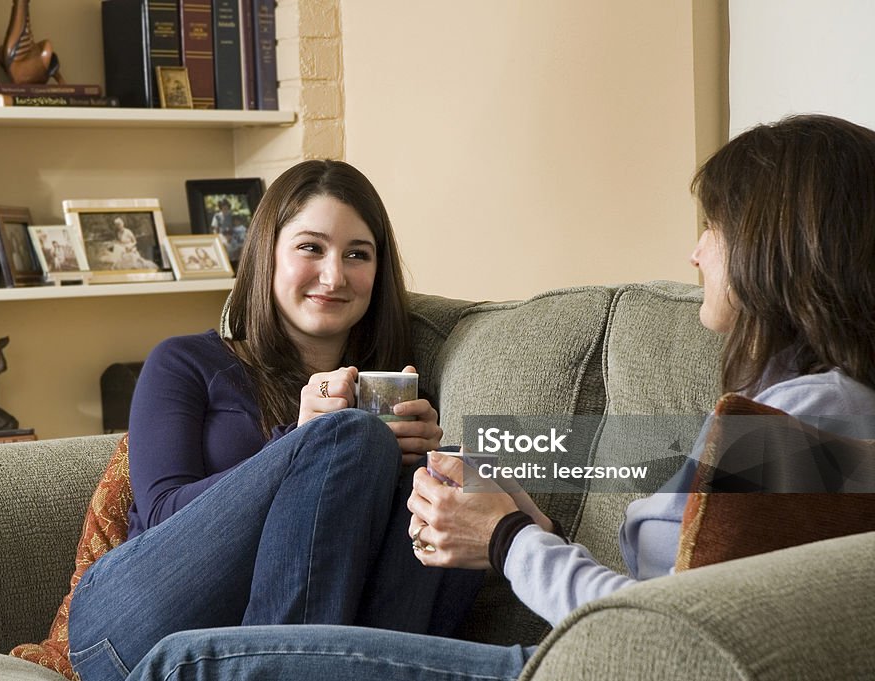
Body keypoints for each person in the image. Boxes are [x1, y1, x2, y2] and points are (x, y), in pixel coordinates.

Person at [124, 114, 875, 681]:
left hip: (581, 660)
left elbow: (659, 628)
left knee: (186, 664)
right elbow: (657, 578)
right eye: (310, 248)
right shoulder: (792, 414)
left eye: (712, 228)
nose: (694, 252)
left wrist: (510, 530)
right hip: (587, 641)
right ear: (265, 256)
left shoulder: (789, 425)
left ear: (777, 251)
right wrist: (522, 508)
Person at [67, 160, 486, 681]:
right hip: (129, 622)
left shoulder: (395, 395)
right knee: (350, 437)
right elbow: (161, 515)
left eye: (357, 255)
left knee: (444, 479)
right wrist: (301, 441)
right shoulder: (184, 361)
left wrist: (434, 473)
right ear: (267, 252)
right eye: (310, 247)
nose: (333, 276)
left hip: (263, 647)